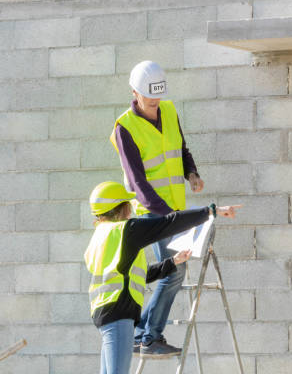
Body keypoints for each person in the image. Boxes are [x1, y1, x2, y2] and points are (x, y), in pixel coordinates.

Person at [85, 181, 240, 374]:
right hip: (118, 313)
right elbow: (168, 223)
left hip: (106, 312)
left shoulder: (101, 235)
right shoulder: (126, 230)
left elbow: (137, 274)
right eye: (128, 205)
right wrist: (210, 211)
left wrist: (171, 262)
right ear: (120, 207)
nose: (130, 210)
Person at [109, 61, 205, 356]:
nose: (154, 106)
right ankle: (147, 336)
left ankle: (144, 335)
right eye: (149, 100)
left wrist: (192, 173)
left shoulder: (170, 110)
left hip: (175, 209)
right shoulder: (124, 128)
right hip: (153, 211)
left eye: (157, 100)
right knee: (174, 271)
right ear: (134, 92)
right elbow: (138, 182)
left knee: (175, 270)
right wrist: (168, 217)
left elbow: (182, 149)